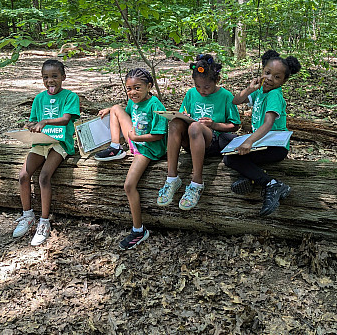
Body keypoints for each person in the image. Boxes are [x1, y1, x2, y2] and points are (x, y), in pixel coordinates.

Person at [94, 68, 168, 250]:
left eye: (137, 88)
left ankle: (138, 230)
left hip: (149, 148)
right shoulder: (132, 102)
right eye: (129, 88)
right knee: (115, 108)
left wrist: (137, 139)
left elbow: (158, 135)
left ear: (149, 86)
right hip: (135, 141)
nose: (132, 92)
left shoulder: (155, 105)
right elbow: (125, 115)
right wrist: (109, 111)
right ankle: (115, 147)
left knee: (129, 185)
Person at [157, 54, 240, 210]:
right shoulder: (190, 94)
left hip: (212, 141)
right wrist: (186, 117)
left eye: (207, 87)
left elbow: (235, 126)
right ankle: (171, 178)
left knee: (195, 127)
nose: (202, 91)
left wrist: (214, 124)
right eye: (198, 86)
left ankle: (196, 183)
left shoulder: (226, 96)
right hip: (190, 141)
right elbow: (182, 114)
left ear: (217, 80)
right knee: (175, 123)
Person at [223, 50, 301, 216]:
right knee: (229, 147)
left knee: (231, 158)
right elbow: (235, 101)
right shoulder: (260, 92)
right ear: (262, 71)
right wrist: (250, 88)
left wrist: (249, 141)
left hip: (275, 146)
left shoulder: (274, 95)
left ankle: (271, 184)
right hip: (262, 143)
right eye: (267, 73)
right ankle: (249, 177)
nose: (270, 79)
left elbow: (268, 123)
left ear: (284, 81)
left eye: (277, 77)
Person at [13, 59, 80, 246]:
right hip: (41, 141)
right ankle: (27, 216)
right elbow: (33, 120)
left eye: (54, 76)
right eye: (45, 77)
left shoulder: (70, 97)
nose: (50, 81)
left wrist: (46, 122)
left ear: (63, 77)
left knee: (44, 177)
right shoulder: (39, 98)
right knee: (23, 175)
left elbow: (66, 120)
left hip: (60, 142)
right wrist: (30, 126)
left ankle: (44, 222)